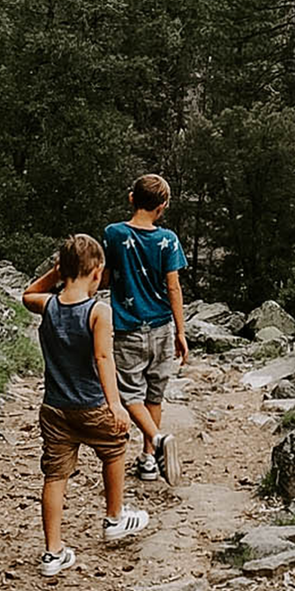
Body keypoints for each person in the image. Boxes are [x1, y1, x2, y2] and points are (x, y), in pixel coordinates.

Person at [22, 232, 149, 578]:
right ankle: (115, 518)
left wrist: (56, 272)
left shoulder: (47, 305)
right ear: (97, 273)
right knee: (115, 452)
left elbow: (28, 293)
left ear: (63, 269)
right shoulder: (98, 311)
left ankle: (52, 552)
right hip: (92, 404)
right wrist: (115, 405)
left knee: (55, 475)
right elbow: (103, 357)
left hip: (55, 409)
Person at [102, 173, 189, 485]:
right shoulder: (168, 240)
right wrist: (181, 332)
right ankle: (148, 459)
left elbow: (106, 277)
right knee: (154, 394)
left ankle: (157, 440)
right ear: (162, 207)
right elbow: (174, 288)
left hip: (128, 329)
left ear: (131, 198)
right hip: (163, 327)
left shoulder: (113, 234)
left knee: (129, 394)